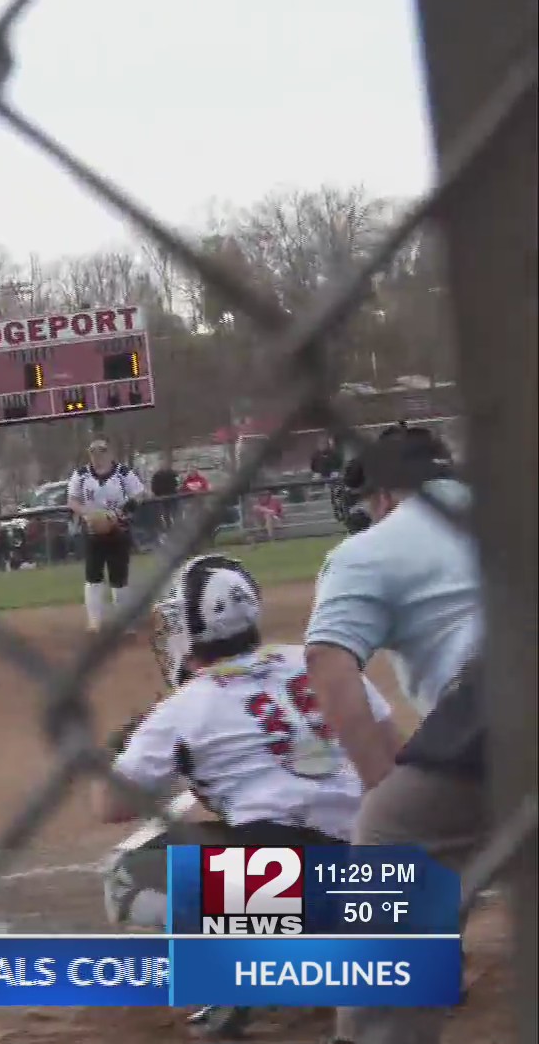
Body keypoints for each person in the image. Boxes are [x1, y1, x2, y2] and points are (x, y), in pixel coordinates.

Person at [102, 554, 399, 1039]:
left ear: (190, 630)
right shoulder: (321, 661)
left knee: (127, 875)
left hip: (288, 893)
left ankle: (237, 978)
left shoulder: (184, 705)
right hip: (377, 883)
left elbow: (108, 806)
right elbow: (396, 761)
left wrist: (128, 757)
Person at [303, 424, 483, 1044]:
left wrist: (385, 787)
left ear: (381, 495)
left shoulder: (371, 548)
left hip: (502, 693)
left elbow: (329, 664)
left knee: (391, 839)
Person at [67, 438, 148, 633]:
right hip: (94, 530)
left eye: (102, 452)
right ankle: (94, 621)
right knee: (93, 576)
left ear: (109, 453)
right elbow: (72, 500)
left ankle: (125, 622)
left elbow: (140, 494)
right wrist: (87, 514)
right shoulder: (81, 475)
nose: (98, 456)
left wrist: (120, 513)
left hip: (119, 529)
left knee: (119, 577)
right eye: (94, 452)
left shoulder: (123, 473)